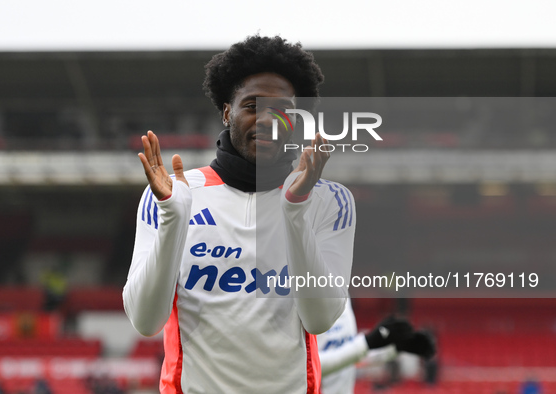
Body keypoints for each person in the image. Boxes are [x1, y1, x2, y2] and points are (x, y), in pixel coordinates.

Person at [123, 35, 424, 394]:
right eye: (252, 105)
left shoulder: (330, 201)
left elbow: (320, 319)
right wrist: (173, 217)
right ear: (226, 111)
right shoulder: (175, 194)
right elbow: (145, 321)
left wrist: (295, 209)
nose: (267, 119)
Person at [318, 299, 436, 394]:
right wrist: (366, 343)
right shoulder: (302, 300)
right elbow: (307, 366)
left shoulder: (344, 298)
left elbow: (350, 356)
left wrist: (395, 348)